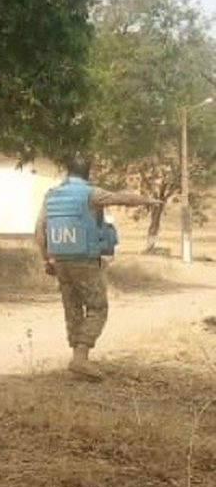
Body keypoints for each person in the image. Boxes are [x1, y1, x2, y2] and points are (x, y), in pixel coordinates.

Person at [34, 154, 160, 381]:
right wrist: (146, 201)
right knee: (98, 307)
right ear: (87, 173)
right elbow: (122, 198)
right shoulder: (90, 193)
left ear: (67, 171)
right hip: (84, 259)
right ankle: (81, 357)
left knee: (72, 308)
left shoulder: (51, 196)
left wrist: (47, 260)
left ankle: (77, 358)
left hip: (60, 260)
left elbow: (39, 231)